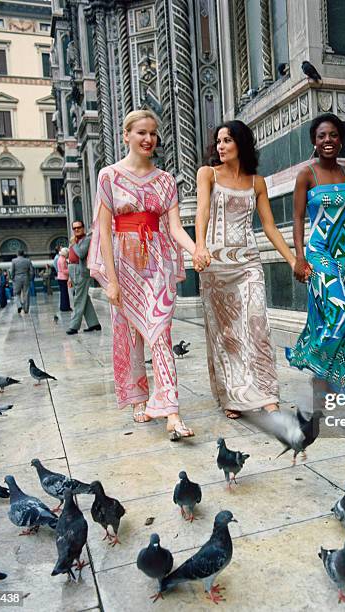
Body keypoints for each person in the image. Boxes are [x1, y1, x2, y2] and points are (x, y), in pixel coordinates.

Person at [88, 109, 196, 439]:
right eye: (141, 133)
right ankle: (139, 397)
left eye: (152, 133)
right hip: (123, 261)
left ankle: (172, 412)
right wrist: (113, 281)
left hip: (157, 264)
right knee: (131, 334)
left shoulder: (165, 180)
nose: (148, 139)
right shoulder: (108, 175)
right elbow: (103, 230)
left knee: (161, 333)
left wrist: (196, 250)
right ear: (126, 136)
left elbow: (175, 227)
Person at [193, 120, 302, 419]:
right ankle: (234, 397)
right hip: (215, 265)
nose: (221, 146)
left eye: (227, 140)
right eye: (218, 141)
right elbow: (202, 210)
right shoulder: (208, 174)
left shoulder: (257, 182)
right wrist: (199, 246)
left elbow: (269, 227)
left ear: (241, 143)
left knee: (258, 326)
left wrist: (292, 260)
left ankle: (266, 393)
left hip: (249, 262)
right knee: (226, 333)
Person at [286, 113, 345, 394]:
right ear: (314, 142)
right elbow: (298, 218)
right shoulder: (307, 175)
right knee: (337, 309)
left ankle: (337, 380)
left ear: (341, 140)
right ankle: (313, 358)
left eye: (333, 135)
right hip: (319, 252)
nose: (328, 140)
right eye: (322, 136)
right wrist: (299, 257)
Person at [66, 220, 101, 335]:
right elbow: (71, 258)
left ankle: (74, 326)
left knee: (79, 298)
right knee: (84, 297)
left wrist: (73, 244)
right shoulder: (75, 241)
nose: (77, 230)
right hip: (73, 271)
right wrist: (70, 278)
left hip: (81, 272)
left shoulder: (87, 240)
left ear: (83, 228)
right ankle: (94, 323)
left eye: (79, 227)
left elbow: (81, 254)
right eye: (74, 228)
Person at [11, 249, 33, 314]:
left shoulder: (14, 261)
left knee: (16, 293)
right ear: (23, 253)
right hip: (26, 278)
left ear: (17, 254)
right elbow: (31, 271)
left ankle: (19, 305)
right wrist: (30, 278)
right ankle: (26, 309)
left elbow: (12, 271)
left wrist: (12, 278)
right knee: (26, 293)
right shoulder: (28, 260)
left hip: (17, 278)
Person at [57, 247, 72, 312]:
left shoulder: (59, 258)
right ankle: (65, 307)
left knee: (63, 293)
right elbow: (64, 270)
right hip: (63, 277)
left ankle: (63, 306)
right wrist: (71, 270)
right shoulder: (63, 260)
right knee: (65, 293)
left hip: (60, 277)